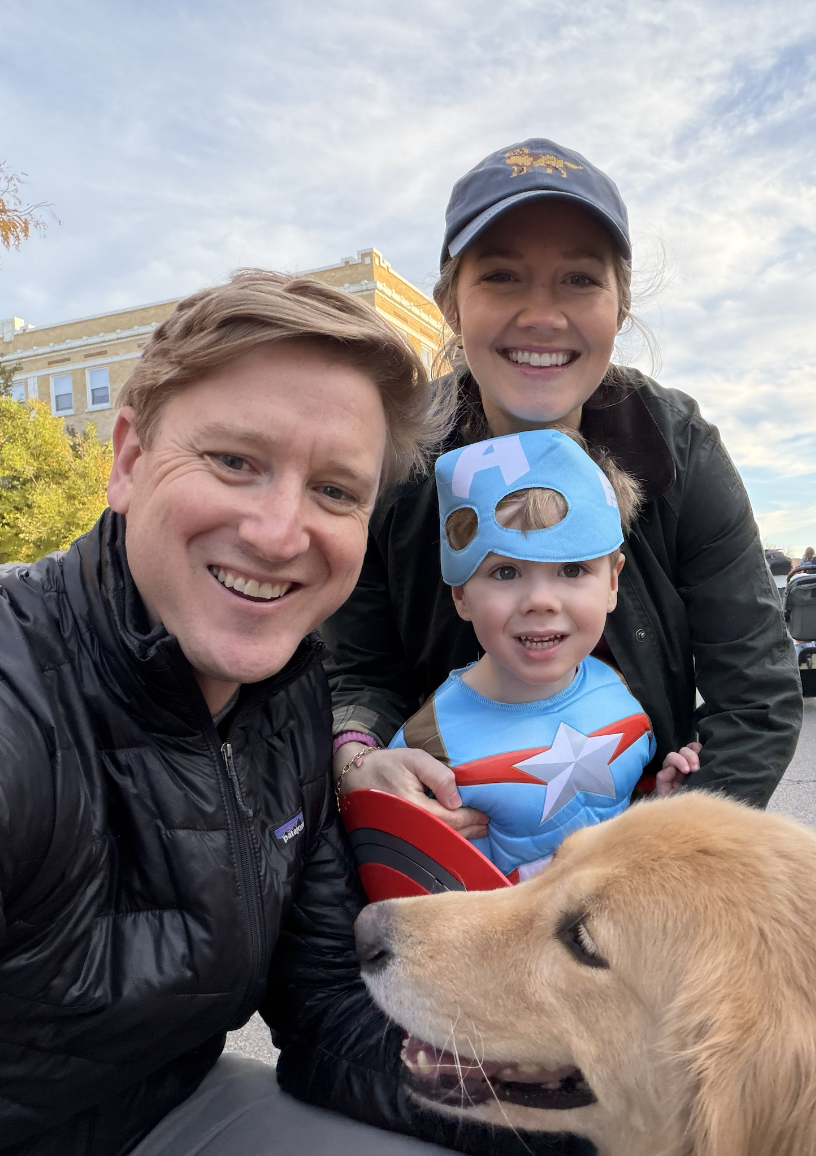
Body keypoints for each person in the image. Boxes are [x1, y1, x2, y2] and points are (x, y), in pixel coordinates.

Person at [0, 272, 480, 1155]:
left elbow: (328, 1007)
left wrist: (586, 1115)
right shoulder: (16, 700)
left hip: (166, 1110)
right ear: (128, 461)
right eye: (234, 462)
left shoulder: (289, 697)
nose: (278, 532)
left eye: (335, 491)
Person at [323, 138, 802, 825]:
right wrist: (359, 763)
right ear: (450, 304)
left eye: (579, 279)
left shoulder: (679, 447)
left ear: (620, 306)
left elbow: (756, 696)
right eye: (502, 277)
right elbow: (355, 671)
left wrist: (666, 845)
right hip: (448, 855)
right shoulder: (392, 456)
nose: (542, 316)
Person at [387, 429, 700, 881]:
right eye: (506, 571)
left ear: (612, 583)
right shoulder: (426, 749)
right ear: (461, 594)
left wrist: (658, 802)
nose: (541, 601)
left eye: (571, 569)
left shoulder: (622, 691)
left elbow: (615, 819)